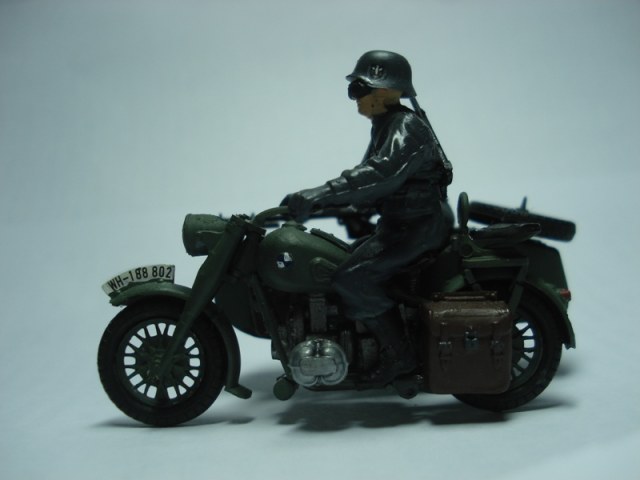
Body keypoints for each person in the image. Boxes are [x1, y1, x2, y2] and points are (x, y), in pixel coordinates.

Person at [284, 50, 453, 384]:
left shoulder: (407, 127)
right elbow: (372, 185)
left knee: (352, 280)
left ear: (386, 91)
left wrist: (320, 194)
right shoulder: (386, 124)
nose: (355, 98)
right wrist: (329, 205)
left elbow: (379, 174)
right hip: (400, 224)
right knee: (339, 260)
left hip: (417, 227)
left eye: (359, 89)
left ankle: (401, 356)